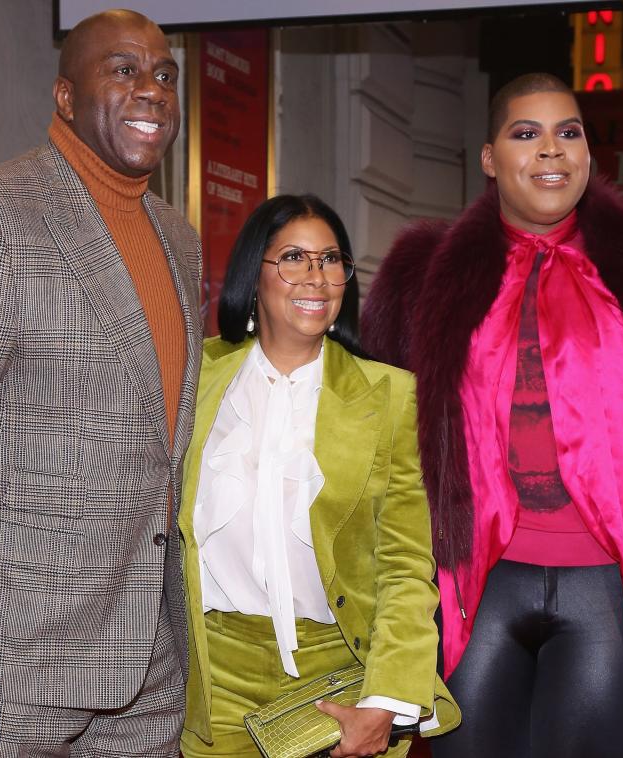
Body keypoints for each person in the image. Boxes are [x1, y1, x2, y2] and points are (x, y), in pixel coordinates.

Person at [362, 73, 623, 757]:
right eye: (525, 133)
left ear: (589, 155)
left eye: (569, 133)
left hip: (611, 589)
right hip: (470, 592)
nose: (551, 151)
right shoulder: (420, 275)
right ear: (489, 158)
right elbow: (380, 458)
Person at [0, 10, 200, 757]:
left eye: (164, 74)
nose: (150, 89)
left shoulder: (177, 239)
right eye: (122, 70)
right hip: (8, 666)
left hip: (149, 662)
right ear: (64, 96)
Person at [178, 195, 459, 758]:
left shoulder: (391, 396)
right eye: (294, 258)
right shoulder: (194, 377)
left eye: (331, 260)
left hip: (342, 682)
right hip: (216, 686)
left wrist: (386, 700)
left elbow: (406, 566)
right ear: (252, 274)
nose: (316, 276)